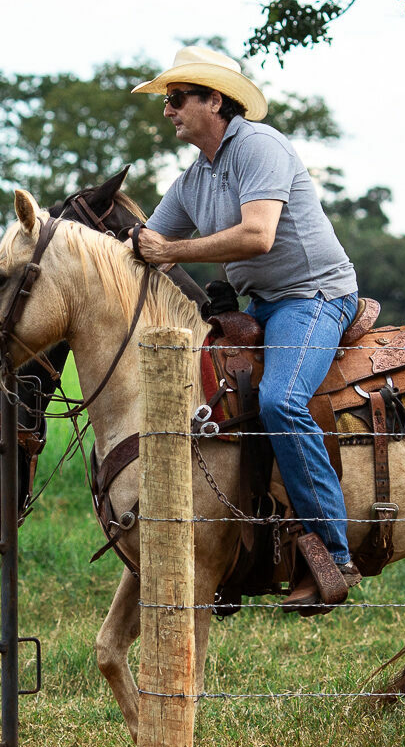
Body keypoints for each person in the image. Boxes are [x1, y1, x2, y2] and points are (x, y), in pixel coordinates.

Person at [129, 47, 362, 611]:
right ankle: (239, 548)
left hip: (313, 296)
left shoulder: (259, 145)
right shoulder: (194, 178)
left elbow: (258, 235)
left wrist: (172, 251)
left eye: (176, 98)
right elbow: (147, 242)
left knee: (281, 401)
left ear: (215, 100)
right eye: (167, 100)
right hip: (261, 306)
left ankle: (333, 557)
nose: (168, 110)